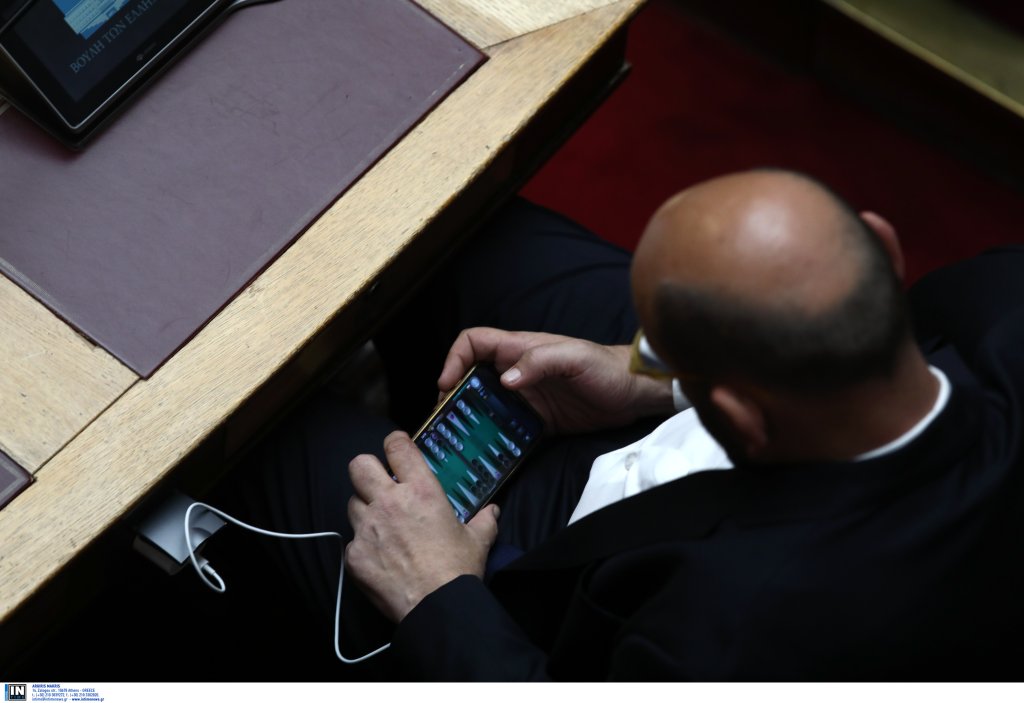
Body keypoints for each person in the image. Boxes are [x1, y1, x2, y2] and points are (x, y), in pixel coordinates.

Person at [238, 169, 1024, 680]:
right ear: (881, 248)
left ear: (737, 417)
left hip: (556, 584)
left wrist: (436, 591)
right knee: (452, 220)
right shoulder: (1008, 308)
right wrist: (649, 374)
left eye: (667, 348)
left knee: (268, 429)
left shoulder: (726, 632)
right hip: (751, 404)